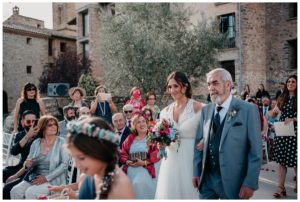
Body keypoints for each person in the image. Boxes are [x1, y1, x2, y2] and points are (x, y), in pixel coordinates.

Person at [193, 68, 262, 199]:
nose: (211, 87)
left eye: (215, 83)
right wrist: (196, 172)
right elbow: (198, 143)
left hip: (234, 182)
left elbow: (256, 151)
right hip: (207, 180)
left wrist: (250, 182)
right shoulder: (206, 110)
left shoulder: (248, 109)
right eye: (208, 84)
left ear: (228, 84)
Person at [155, 71, 203, 199]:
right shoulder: (165, 111)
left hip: (190, 158)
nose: (172, 90)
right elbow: (162, 138)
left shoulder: (197, 107)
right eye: (169, 87)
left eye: (176, 86)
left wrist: (204, 140)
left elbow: (213, 128)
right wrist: (160, 142)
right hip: (170, 160)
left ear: (185, 86)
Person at [65, 117, 134, 199]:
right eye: (73, 157)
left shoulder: (121, 188)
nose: (76, 165)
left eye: (81, 158)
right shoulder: (86, 175)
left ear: (101, 151)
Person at [10, 115, 69, 199]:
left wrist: (46, 178)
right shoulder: (36, 142)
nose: (53, 127)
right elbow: (28, 162)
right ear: (42, 128)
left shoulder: (62, 142)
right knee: (15, 191)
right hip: (35, 177)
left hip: (53, 179)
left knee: (30, 192)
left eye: (55, 124)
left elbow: (64, 164)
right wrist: (27, 164)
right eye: (50, 125)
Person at [120, 113, 160, 199]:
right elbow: (123, 153)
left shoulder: (152, 137)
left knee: (138, 182)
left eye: (143, 121)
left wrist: (144, 162)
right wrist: (127, 161)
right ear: (134, 125)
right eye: (138, 122)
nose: (142, 124)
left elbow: (157, 153)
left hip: (147, 166)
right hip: (130, 167)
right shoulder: (130, 138)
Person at [271, 75, 297, 198]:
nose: (290, 83)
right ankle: (280, 188)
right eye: (289, 81)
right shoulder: (282, 97)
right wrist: (273, 113)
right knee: (281, 160)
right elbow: (273, 113)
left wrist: (292, 119)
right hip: (282, 131)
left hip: (296, 132)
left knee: (297, 160)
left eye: (293, 81)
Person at [3, 110, 38, 199]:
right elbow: (14, 152)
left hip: (33, 168)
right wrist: (27, 137)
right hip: (21, 166)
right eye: (28, 121)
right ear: (23, 123)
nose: (31, 124)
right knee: (3, 173)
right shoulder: (20, 135)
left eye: (34, 121)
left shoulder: (40, 135)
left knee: (8, 188)